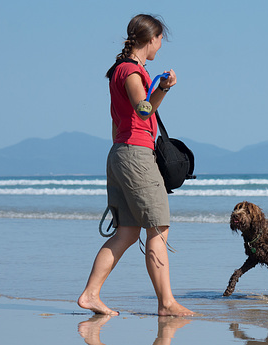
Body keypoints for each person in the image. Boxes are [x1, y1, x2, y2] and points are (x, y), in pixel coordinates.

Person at [78, 14, 193, 317]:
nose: (159, 47)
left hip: (120, 153)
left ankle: (90, 295)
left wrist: (158, 87)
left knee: (128, 231)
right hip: (135, 154)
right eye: (159, 41)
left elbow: (140, 110)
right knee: (158, 228)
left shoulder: (124, 69)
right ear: (150, 39)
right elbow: (143, 110)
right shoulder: (130, 71)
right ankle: (167, 303)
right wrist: (164, 88)